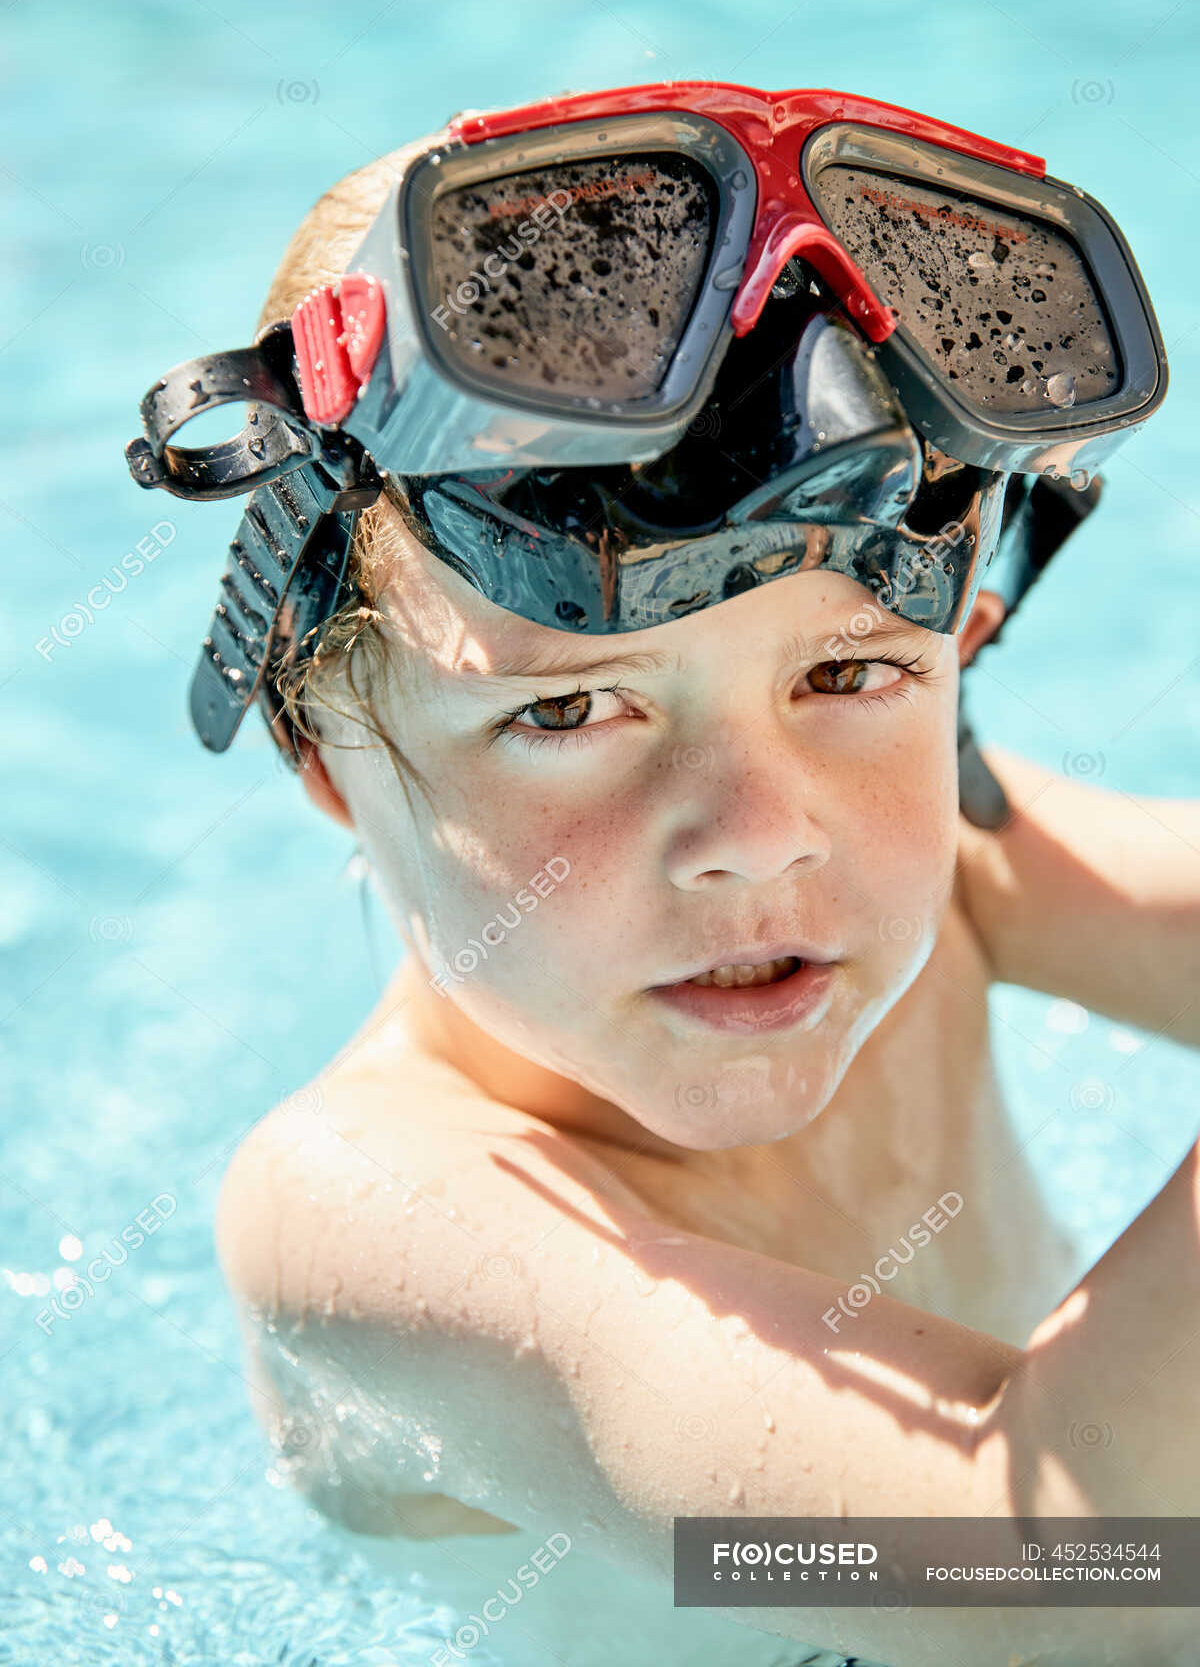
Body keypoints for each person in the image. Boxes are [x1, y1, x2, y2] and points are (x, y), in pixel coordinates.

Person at [127, 82, 1199, 1665]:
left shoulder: (950, 858)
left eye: (848, 680)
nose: (762, 832)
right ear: (330, 758)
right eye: (567, 706)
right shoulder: (361, 1216)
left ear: (964, 647)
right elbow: (1050, 1588)